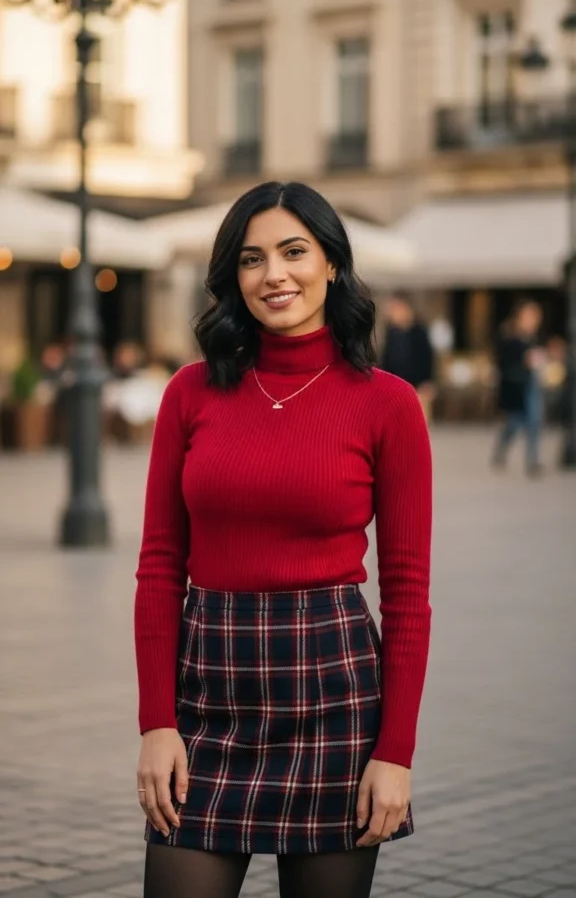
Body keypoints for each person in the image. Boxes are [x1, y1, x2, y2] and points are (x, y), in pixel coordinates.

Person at [134, 182, 433, 898]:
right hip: (208, 696)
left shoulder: (388, 403)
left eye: (294, 252)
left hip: (334, 695)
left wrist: (395, 754)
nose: (275, 275)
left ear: (332, 263)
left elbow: (408, 595)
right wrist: (156, 725)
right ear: (231, 277)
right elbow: (158, 569)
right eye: (251, 258)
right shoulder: (190, 393)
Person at [492, 300, 546, 476]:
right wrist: (524, 361)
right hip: (516, 387)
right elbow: (502, 363)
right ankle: (501, 449)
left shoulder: (533, 337)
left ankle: (532, 460)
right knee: (513, 424)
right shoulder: (509, 337)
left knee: (534, 422)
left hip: (532, 385)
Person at [379, 294, 435, 422]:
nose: (393, 314)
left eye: (396, 309)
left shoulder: (419, 331)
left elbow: (428, 357)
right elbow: (386, 358)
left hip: (418, 385)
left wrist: (428, 381)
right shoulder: (392, 332)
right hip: (396, 384)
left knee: (420, 420)